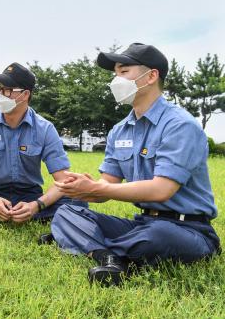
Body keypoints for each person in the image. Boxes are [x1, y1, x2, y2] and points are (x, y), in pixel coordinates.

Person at [49, 43, 220, 286]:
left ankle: (84, 242)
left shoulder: (179, 125)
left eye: (124, 71)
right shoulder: (119, 131)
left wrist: (98, 189)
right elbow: (105, 187)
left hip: (187, 229)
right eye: (115, 73)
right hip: (143, 222)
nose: (116, 79)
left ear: (151, 76)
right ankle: (109, 258)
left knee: (158, 236)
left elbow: (162, 190)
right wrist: (84, 187)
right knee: (67, 212)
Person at [0, 63, 87, 225]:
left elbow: (63, 181)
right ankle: (2, 214)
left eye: (7, 90)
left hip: (29, 195)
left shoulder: (45, 129)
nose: (0, 95)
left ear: (25, 94)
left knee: (78, 199)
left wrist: (36, 205)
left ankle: (19, 215)